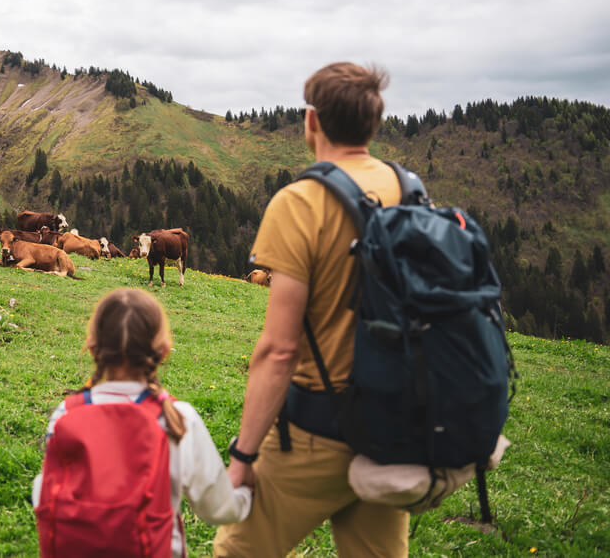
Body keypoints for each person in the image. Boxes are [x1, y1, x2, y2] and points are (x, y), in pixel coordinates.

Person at [213, 63, 410, 557]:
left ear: (312, 122)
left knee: (237, 552)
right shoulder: (408, 190)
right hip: (391, 427)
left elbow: (280, 350)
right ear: (374, 123)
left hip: (316, 431)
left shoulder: (301, 202)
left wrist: (243, 454)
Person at [33, 287, 252, 557]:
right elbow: (219, 509)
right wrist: (246, 495)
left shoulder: (65, 413)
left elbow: (43, 493)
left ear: (92, 347)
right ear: (163, 351)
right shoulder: (178, 420)